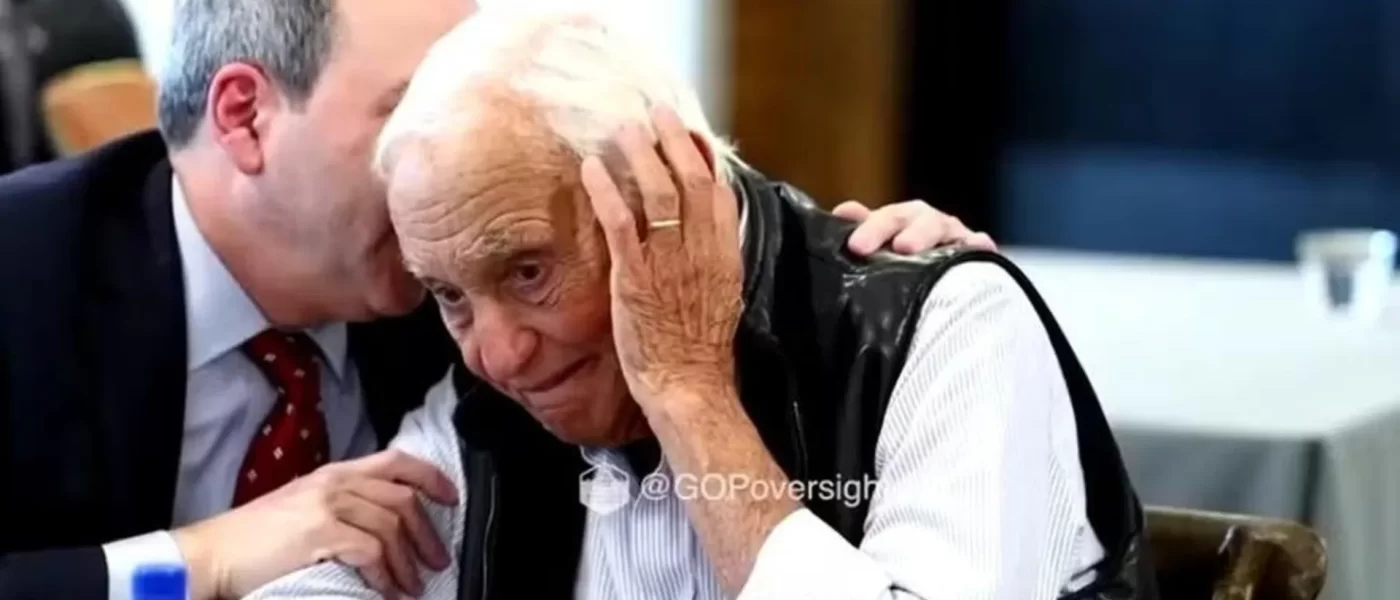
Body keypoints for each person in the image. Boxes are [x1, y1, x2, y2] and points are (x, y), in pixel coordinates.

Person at [0, 1, 996, 600]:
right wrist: (196, 563)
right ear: (245, 117)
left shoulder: (464, 300)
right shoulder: (23, 266)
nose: (450, 152)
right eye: (412, 107)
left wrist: (886, 281)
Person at [244, 6, 1156, 600]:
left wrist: (688, 393)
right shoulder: (491, 401)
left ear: (666, 196)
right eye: (449, 295)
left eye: (528, 274)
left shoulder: (943, 332)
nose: (497, 355)